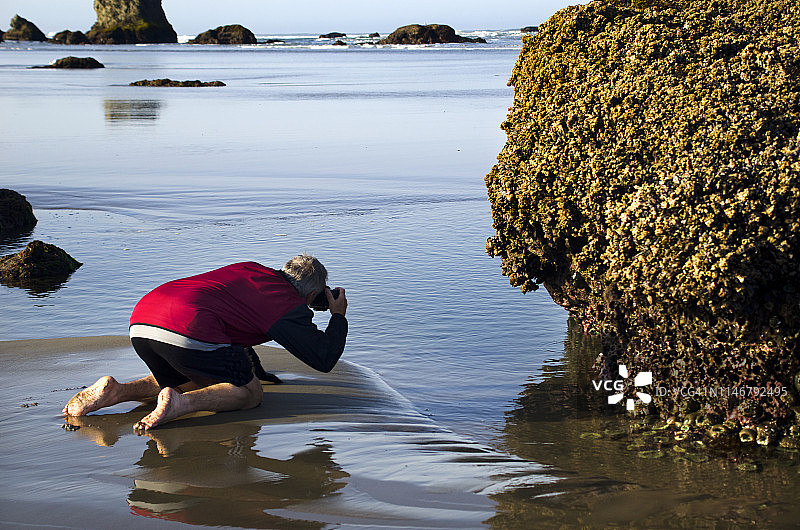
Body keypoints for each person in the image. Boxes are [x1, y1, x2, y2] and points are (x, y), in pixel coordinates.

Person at [62, 255, 348, 430]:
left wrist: (258, 371)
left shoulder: (251, 270)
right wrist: (337, 315)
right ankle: (180, 404)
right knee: (250, 394)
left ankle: (117, 391)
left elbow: (237, 331)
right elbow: (323, 359)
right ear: (310, 296)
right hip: (188, 326)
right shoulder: (286, 304)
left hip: (143, 320)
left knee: (194, 376)